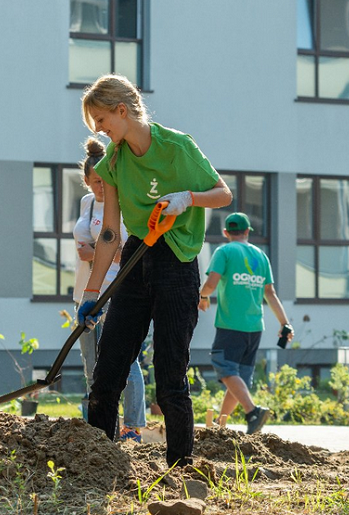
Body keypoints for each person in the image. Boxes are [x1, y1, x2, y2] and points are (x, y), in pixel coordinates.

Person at [75, 74, 231, 469]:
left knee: (170, 374)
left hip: (176, 261)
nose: (101, 131)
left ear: (122, 110)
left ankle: (180, 468)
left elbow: (223, 193)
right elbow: (110, 233)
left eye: (101, 121)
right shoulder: (112, 163)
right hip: (135, 256)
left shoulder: (176, 147)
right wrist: (91, 295)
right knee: (108, 369)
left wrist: (187, 199)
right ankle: (98, 463)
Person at [72, 136, 146, 441]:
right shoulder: (87, 203)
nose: (100, 187)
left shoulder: (124, 200)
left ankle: (132, 426)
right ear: (87, 181)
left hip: (118, 290)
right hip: (86, 290)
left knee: (124, 359)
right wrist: (102, 249)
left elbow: (123, 249)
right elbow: (83, 251)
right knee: (92, 362)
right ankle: (103, 426)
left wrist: (102, 249)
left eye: (104, 181)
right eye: (94, 182)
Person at [198, 212, 290, 434]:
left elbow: (211, 282)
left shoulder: (225, 251)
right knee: (238, 377)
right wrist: (285, 323)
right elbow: (271, 293)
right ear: (248, 231)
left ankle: (252, 411)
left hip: (231, 324)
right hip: (254, 327)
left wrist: (202, 296)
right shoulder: (261, 255)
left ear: (226, 232)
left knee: (224, 367)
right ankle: (221, 424)